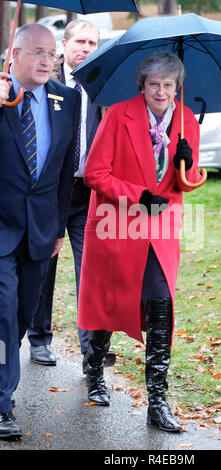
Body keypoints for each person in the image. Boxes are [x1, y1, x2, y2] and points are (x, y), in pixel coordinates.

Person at [77, 51, 202, 432]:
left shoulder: (186, 120)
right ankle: (94, 370)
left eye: (168, 85)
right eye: (154, 85)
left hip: (161, 229)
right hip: (117, 225)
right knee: (109, 306)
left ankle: (157, 402)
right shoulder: (117, 115)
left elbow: (189, 181)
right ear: (141, 85)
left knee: (161, 306)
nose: (161, 92)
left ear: (176, 86)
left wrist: (188, 162)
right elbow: (94, 174)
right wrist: (137, 196)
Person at [0, 23, 80, 439]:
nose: (48, 60)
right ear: (14, 54)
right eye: (37, 52)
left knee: (21, 314)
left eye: (52, 54)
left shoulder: (66, 100)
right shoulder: (0, 94)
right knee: (3, 311)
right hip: (0, 227)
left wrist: (60, 227)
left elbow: (66, 171)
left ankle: (1, 370)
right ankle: (0, 402)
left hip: (41, 229)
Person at [27, 19, 115, 372]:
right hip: (50, 191)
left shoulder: (104, 87)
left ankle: (89, 350)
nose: (86, 49)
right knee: (43, 267)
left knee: (90, 270)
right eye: (80, 41)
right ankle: (39, 337)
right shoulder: (46, 82)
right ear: (64, 45)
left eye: (92, 43)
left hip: (87, 192)